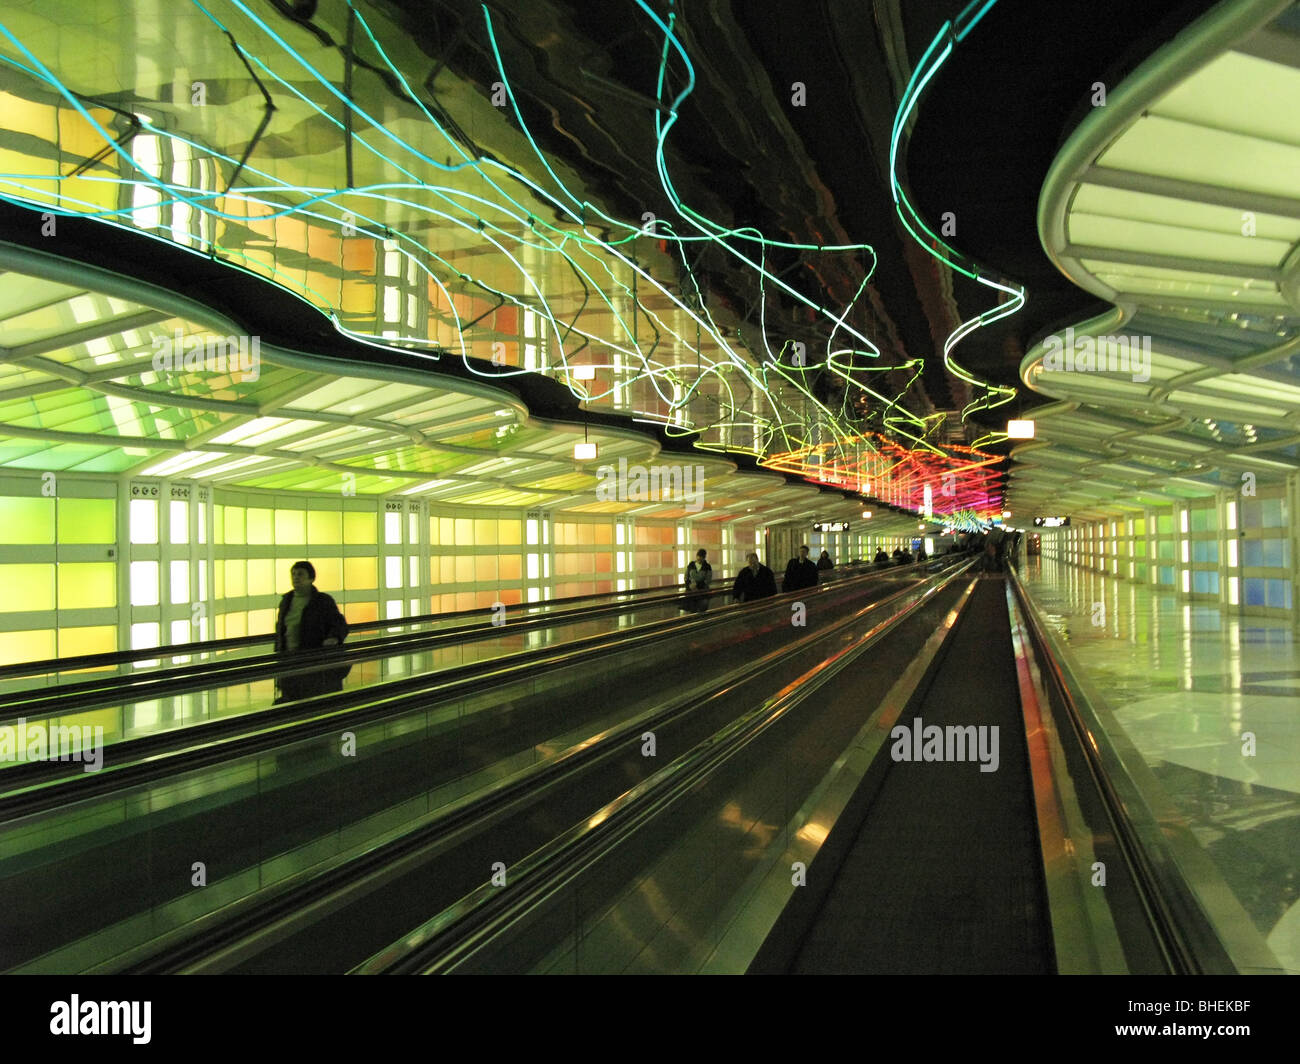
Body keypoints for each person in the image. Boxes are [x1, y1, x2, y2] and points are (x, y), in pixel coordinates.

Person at [274, 561, 350, 703]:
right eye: (293, 574)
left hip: (313, 663)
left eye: (301, 574)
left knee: (312, 702)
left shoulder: (322, 601)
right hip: (289, 663)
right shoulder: (286, 601)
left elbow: (340, 624)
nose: (296, 577)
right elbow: (281, 632)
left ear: (311, 578)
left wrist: (333, 637)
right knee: (293, 703)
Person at [684, 548, 712, 612]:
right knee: (692, 611)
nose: (699, 559)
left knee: (702, 610)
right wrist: (689, 586)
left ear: (704, 558)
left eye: (702, 557)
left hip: (702, 592)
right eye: (698, 557)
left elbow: (708, 580)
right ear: (696, 556)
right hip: (691, 593)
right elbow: (686, 577)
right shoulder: (691, 565)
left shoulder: (707, 566)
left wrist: (697, 586)